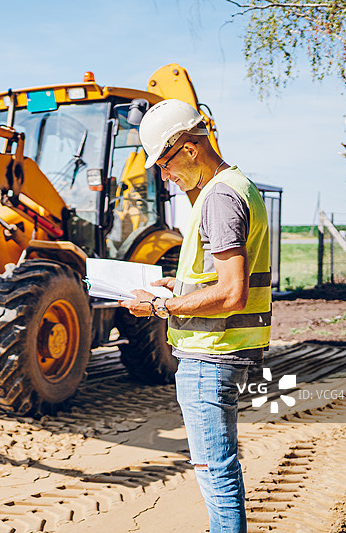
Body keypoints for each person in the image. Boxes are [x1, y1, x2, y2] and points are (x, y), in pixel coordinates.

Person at [120, 99, 271, 532]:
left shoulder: (219, 199)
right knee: (217, 470)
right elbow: (219, 278)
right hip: (220, 352)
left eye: (165, 164)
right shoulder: (237, 185)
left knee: (215, 474)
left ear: (188, 148)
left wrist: (159, 306)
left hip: (210, 355)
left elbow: (231, 292)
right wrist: (177, 286)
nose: (165, 176)